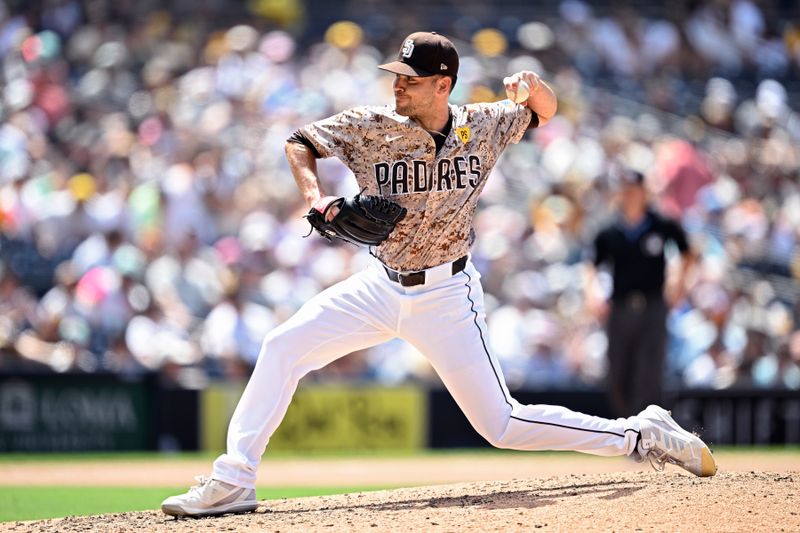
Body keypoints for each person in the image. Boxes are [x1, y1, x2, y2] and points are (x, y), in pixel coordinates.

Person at [161, 32, 716, 518]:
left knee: (500, 425)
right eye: (397, 76)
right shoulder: (370, 126)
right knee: (283, 346)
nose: (398, 86)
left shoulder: (485, 123)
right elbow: (299, 141)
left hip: (447, 294)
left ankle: (641, 431)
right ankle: (234, 480)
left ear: (443, 84)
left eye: (411, 78)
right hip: (380, 286)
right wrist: (315, 195)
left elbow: (545, 110)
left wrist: (532, 85)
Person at [584, 168, 696, 418]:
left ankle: (644, 432)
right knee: (617, 371)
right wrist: (592, 294)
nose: (631, 196)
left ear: (644, 193)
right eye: (626, 191)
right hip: (621, 307)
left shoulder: (661, 224)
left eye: (635, 191)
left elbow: (688, 253)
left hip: (654, 306)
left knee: (650, 371)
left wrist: (678, 284)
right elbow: (591, 265)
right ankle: (626, 427)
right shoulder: (609, 231)